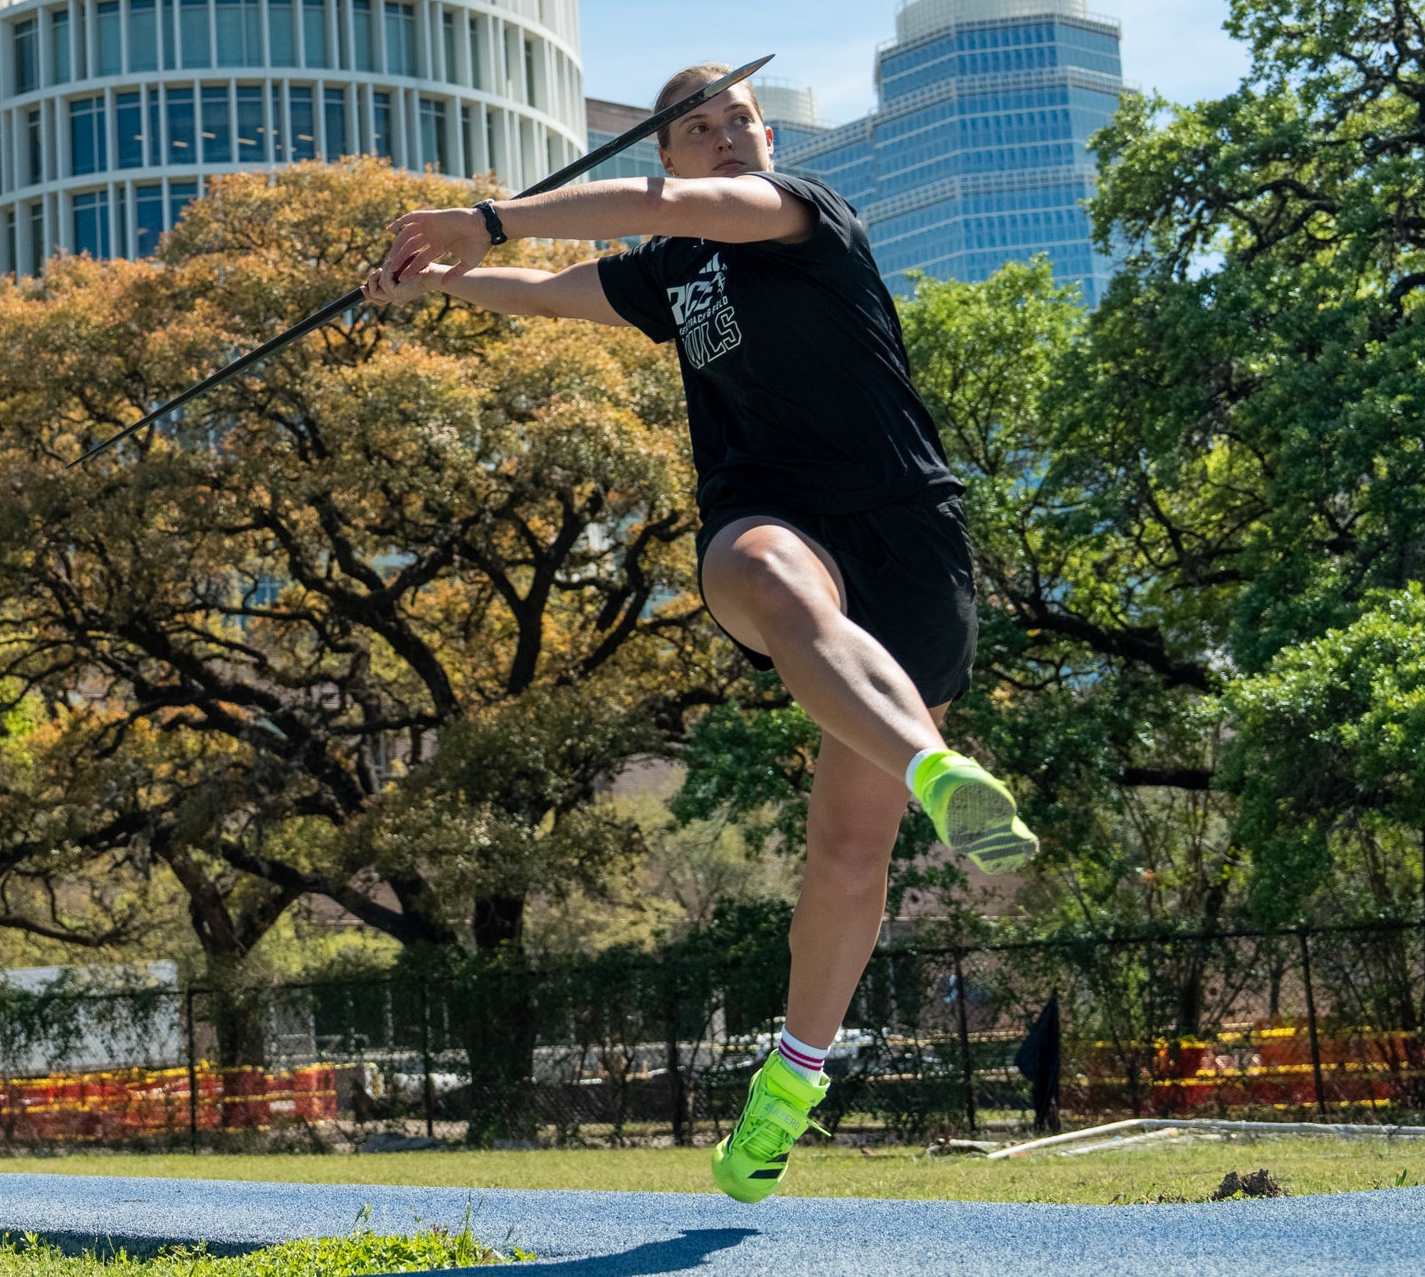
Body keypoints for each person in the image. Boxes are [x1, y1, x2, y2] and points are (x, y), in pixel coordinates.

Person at [368, 64, 1038, 1201]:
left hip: (908, 533)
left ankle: (790, 1080)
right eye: (699, 126)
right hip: (770, 518)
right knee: (772, 576)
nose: (728, 135)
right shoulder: (671, 276)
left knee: (845, 853)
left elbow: (654, 208)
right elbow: (549, 292)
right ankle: (937, 766)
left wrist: (483, 218)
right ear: (671, 145)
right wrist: (442, 282)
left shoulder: (799, 212)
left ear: (763, 137)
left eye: (741, 119)